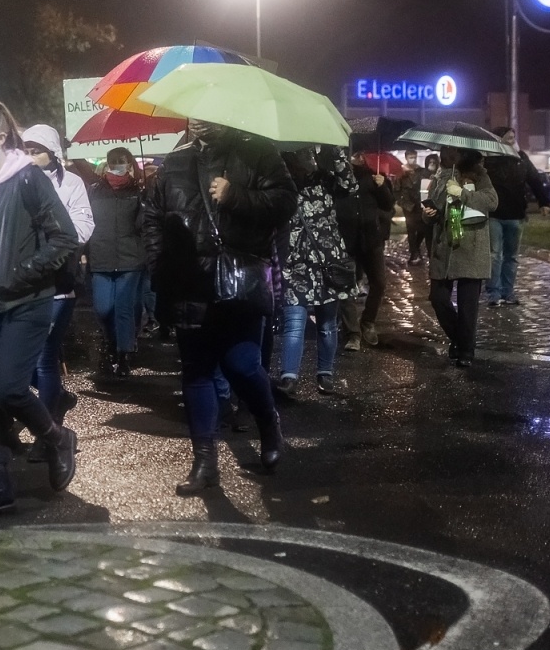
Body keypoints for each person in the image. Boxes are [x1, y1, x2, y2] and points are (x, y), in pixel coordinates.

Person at [143, 119, 296, 496]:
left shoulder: (257, 151)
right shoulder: (174, 163)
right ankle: (205, 462)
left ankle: (268, 423)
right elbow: (151, 218)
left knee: (242, 364)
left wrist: (237, 196)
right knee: (197, 371)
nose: (198, 119)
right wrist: (160, 265)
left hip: (239, 281)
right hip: (188, 283)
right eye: (192, 112)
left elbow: (285, 202)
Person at [0, 102, 81, 520]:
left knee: (8, 388)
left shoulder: (27, 177)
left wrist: (22, 273)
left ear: (1, 136)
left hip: (27, 301)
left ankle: (56, 437)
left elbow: (64, 238)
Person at [20, 125, 94, 421]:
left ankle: (48, 427)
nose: (29, 156)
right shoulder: (16, 182)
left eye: (35, 151)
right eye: (25, 151)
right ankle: (58, 398)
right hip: (25, 282)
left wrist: (53, 242)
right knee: (19, 360)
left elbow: (84, 225)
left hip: (59, 282)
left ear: (52, 152)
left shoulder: (71, 183)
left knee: (44, 357)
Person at [276, 148, 357, 395]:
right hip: (295, 262)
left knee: (327, 323)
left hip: (327, 261)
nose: (311, 159)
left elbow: (350, 186)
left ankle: (325, 373)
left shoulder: (325, 179)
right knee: (294, 323)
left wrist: (337, 154)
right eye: (306, 156)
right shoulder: (281, 185)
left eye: (312, 155)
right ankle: (289, 377)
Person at [422, 148, 497, 368]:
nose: (448, 155)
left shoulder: (479, 174)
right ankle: (458, 338)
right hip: (443, 248)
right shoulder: (440, 176)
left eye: (453, 151)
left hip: (470, 246)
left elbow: (491, 202)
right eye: (444, 151)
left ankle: (466, 350)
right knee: (438, 298)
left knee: (468, 305)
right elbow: (432, 210)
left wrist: (461, 192)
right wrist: (428, 215)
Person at [85, 147, 147, 376]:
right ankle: (111, 341)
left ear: (130, 164)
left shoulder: (139, 191)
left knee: (124, 309)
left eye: (122, 160)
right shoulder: (94, 191)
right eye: (113, 160)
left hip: (131, 259)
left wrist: (145, 201)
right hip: (101, 257)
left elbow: (144, 226)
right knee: (103, 309)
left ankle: (123, 355)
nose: (117, 164)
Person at [483, 127, 550, 308]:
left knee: (511, 256)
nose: (512, 140)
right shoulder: (488, 159)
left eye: (513, 137)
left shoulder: (521, 158)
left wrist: (544, 202)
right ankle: (493, 293)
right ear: (499, 140)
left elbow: (535, 180)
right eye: (508, 138)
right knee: (495, 255)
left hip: (516, 214)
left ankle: (508, 292)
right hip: (494, 214)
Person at [334, 154, 396, 350]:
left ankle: (368, 321)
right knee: (347, 287)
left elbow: (388, 204)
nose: (358, 158)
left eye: (361, 155)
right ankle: (352, 333)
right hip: (347, 240)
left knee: (379, 282)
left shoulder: (373, 177)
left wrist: (382, 186)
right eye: (354, 154)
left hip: (371, 239)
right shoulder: (337, 178)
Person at [396, 149, 427, 264]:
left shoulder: (420, 171)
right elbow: (396, 190)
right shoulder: (401, 173)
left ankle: (415, 248)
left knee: (423, 228)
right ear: (406, 157)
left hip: (419, 203)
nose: (412, 159)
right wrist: (401, 201)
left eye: (414, 157)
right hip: (408, 205)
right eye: (410, 157)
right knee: (411, 230)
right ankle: (414, 253)